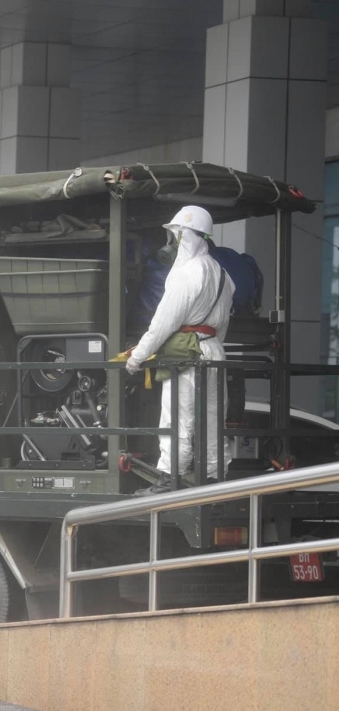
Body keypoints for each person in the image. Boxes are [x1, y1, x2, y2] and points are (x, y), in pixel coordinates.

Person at [126, 205, 234, 495]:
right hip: (213, 351)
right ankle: (214, 475)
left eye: (175, 235)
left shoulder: (187, 273)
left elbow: (163, 323)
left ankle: (169, 478)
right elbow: (221, 324)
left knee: (177, 417)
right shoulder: (222, 273)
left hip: (187, 355)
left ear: (186, 236)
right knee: (212, 418)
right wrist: (210, 345)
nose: (170, 243)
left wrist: (136, 357)